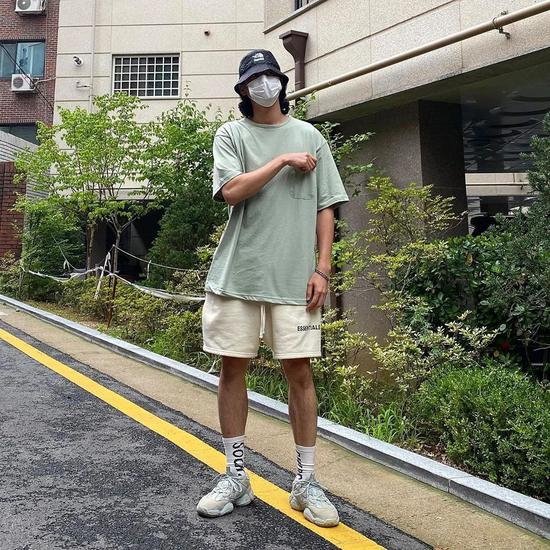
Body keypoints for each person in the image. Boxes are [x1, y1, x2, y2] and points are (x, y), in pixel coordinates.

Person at [197, 48, 350, 528]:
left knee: (299, 372)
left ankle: (306, 481)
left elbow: (326, 205)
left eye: (270, 75)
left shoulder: (311, 136)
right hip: (237, 277)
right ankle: (235, 475)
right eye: (254, 79)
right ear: (243, 90)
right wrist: (282, 160)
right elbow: (231, 191)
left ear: (281, 82)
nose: (263, 84)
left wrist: (322, 268)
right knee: (232, 369)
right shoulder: (232, 134)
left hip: (295, 281)